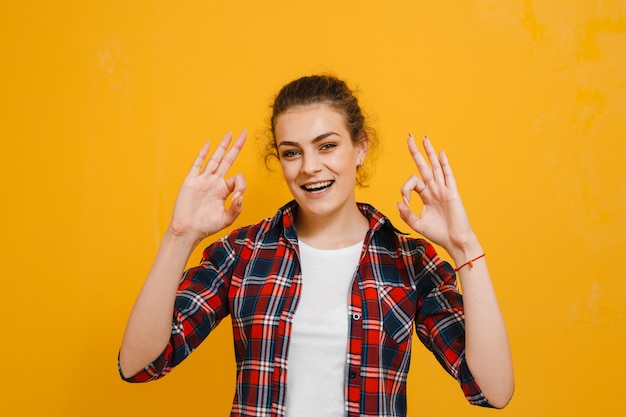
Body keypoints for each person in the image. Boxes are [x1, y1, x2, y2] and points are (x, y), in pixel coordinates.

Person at [118, 75, 514, 416]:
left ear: (360, 147)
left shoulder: (409, 260)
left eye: (326, 146)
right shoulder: (243, 252)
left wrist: (464, 247)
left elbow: (492, 389)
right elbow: (140, 364)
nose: (309, 166)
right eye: (292, 152)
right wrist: (180, 235)